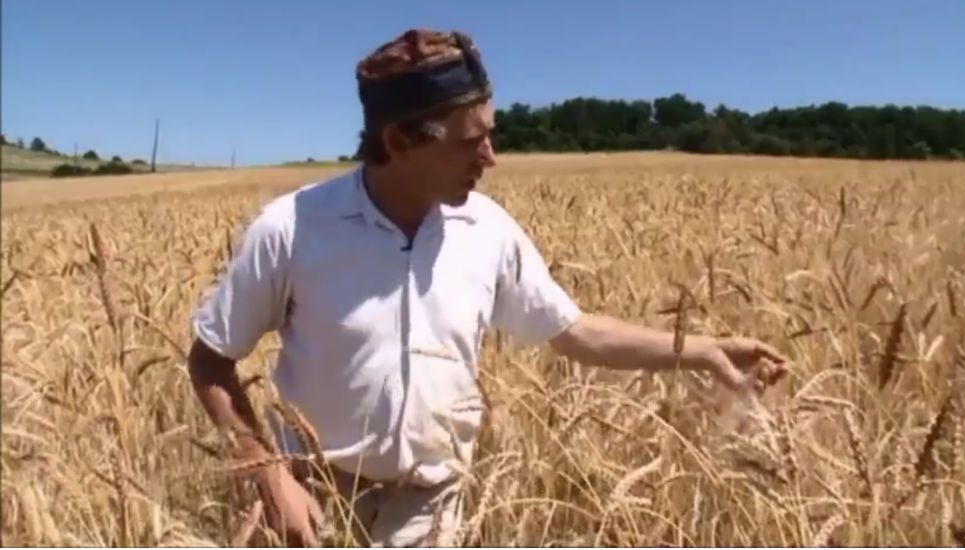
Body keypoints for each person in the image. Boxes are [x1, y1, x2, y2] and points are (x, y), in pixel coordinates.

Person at [187, 28, 788, 547]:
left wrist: (703, 351)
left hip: (431, 500)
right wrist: (268, 474)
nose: (491, 156)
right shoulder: (292, 229)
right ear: (399, 141)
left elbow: (575, 332)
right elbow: (211, 360)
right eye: (470, 139)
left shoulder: (488, 230)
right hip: (312, 496)